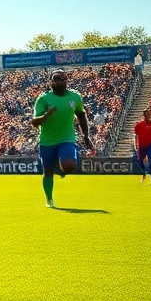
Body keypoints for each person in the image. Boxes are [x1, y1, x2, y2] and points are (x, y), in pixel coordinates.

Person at [31, 68, 94, 209]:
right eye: (56, 79)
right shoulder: (44, 98)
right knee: (47, 172)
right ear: (50, 82)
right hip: (47, 140)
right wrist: (48, 114)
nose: (59, 81)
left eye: (61, 78)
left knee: (69, 164)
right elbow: (35, 122)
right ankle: (49, 198)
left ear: (66, 80)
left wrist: (86, 135)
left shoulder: (75, 97)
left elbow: (81, 115)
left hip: (67, 137)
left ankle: (61, 169)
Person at [134, 107, 151, 184]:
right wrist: (135, 144)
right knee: (140, 161)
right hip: (142, 146)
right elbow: (135, 136)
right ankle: (144, 175)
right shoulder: (138, 125)